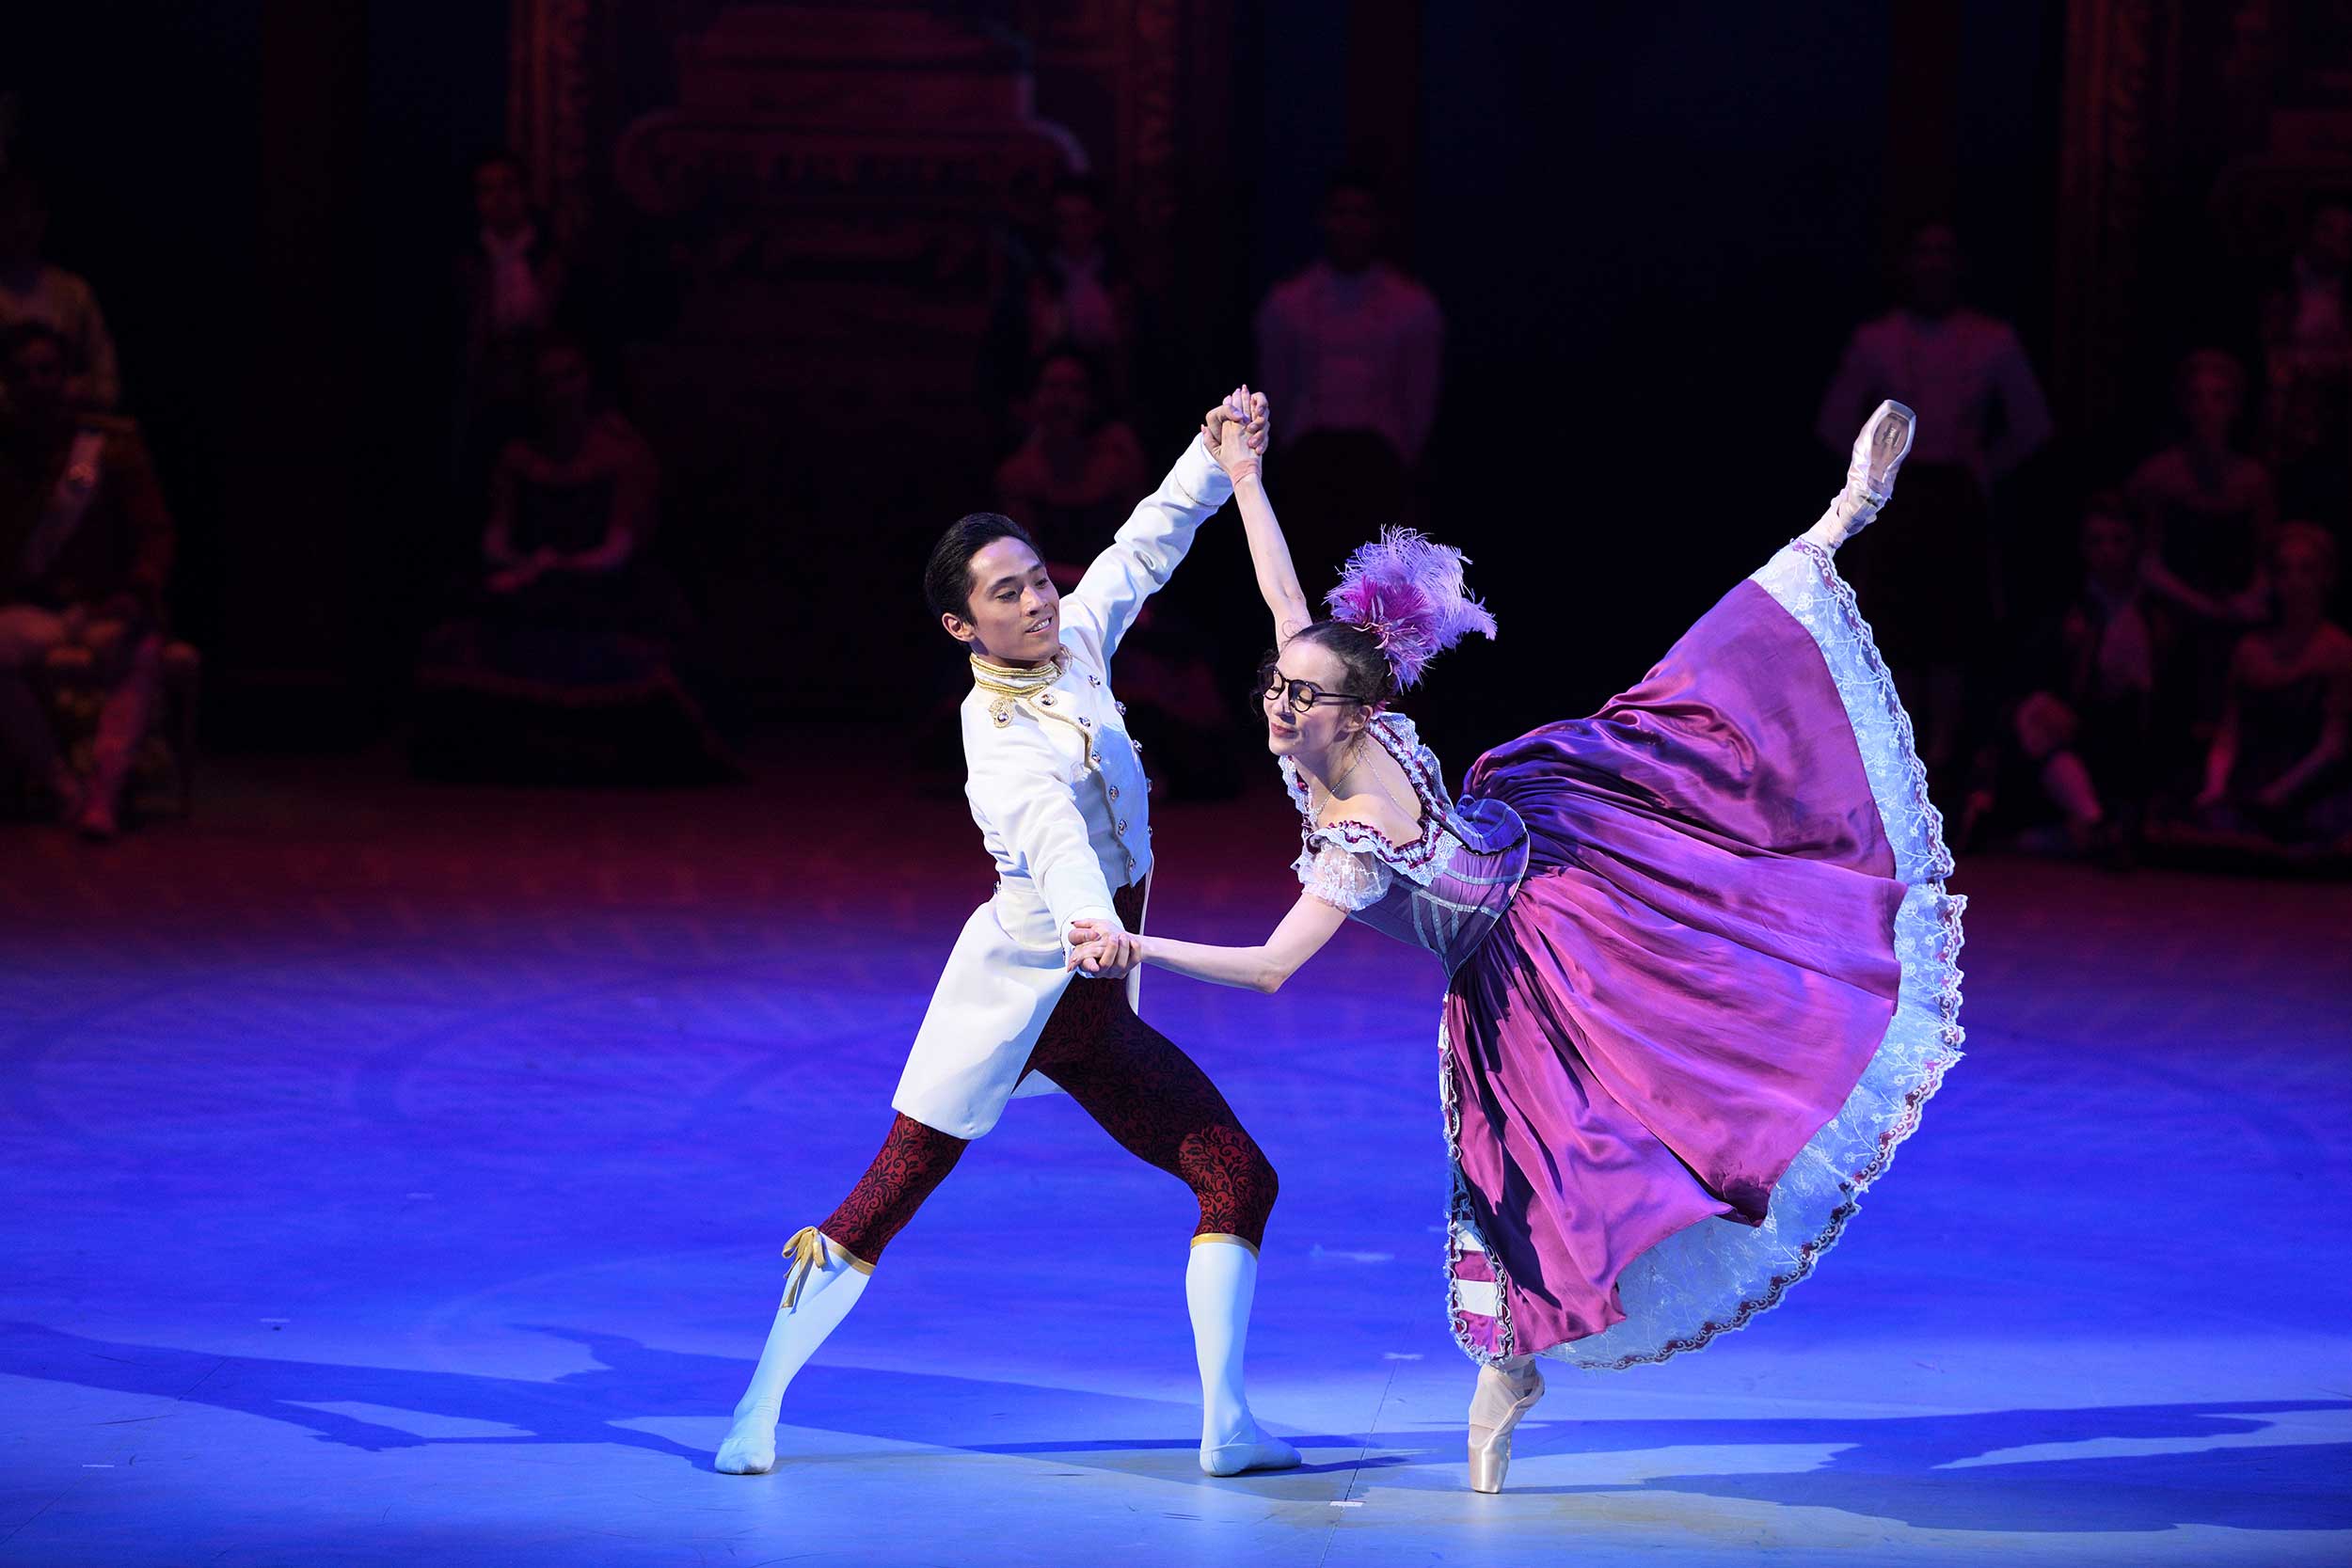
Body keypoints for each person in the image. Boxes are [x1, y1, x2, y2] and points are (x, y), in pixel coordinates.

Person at [1070, 392, 1965, 1494]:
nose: (1276, 699)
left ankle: (1841, 515)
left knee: (1693, 717)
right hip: (1504, 954)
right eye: (1275, 684)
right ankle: (1510, 1368)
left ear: (1356, 715)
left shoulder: (1354, 838)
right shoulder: (1332, 736)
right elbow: (1283, 600)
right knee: (1516, 1180)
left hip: (1557, 885)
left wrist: (1134, 945)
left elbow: (1266, 967)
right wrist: (1244, 474)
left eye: (1300, 693)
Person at [711, 396, 1301, 1481]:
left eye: (1036, 578)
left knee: (1238, 1178)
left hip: (1089, 1016)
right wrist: (1094, 924)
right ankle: (754, 1408)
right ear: (960, 627)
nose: (1037, 601)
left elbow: (1145, 544)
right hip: (1022, 997)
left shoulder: (1073, 639)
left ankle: (1228, 1426)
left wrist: (1215, 456)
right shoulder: (996, 741)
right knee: (875, 1205)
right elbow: (1051, 839)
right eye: (1007, 593)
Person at [1816, 222, 2053, 769]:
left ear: (1960, 265)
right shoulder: (1875, 340)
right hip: (1895, 499)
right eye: (1922, 253)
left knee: (1952, 634)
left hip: (1956, 497)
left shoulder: (1993, 340)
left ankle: (1942, 760)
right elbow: (1833, 423)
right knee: (1893, 628)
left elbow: (2033, 424)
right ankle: (1894, 753)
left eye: (1943, 253)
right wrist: (1867, 477)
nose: (1933, 265)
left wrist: (1984, 468)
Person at [0, 322, 170, 838]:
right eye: (23, 374)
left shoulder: (110, 450)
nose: (37, 384)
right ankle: (60, 785)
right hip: (33, 610)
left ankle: (103, 793)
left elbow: (155, 535)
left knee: (139, 649)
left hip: (103, 607)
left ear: (71, 379)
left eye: (47, 371)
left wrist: (137, 590)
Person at [1253, 170, 1444, 579]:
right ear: (1323, 219)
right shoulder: (1287, 303)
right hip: (1308, 461)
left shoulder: (1413, 306)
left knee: (1377, 586)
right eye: (1340, 213)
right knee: (1309, 577)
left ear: (1379, 223)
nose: (1350, 225)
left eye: (1361, 214)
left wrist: (1401, 459)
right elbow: (1277, 386)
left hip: (1380, 465)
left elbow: (1420, 395)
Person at [2124, 350, 2275, 725]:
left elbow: (2265, 557)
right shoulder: (2157, 476)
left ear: (2235, 406)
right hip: (2171, 602)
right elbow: (2144, 561)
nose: (2208, 408)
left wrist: (2248, 598)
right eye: (2197, 397)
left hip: (2233, 602)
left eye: (2218, 397)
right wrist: (2200, 605)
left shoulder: (2254, 479)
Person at [2193, 521, 2352, 846]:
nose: (2294, 581)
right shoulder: (2250, 648)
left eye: (2306, 570)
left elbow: (2334, 744)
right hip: (2254, 777)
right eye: (2284, 570)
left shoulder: (2340, 650)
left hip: (2311, 783)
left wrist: (2281, 791)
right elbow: (2229, 733)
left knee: (2319, 829)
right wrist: (2216, 785)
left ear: (2326, 578)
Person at [0, 173, 120, 410]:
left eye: (30, 213)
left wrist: (80, 389)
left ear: (43, 218)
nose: (22, 224)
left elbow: (109, 384)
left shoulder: (74, 294)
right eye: (11, 213)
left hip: (67, 432)